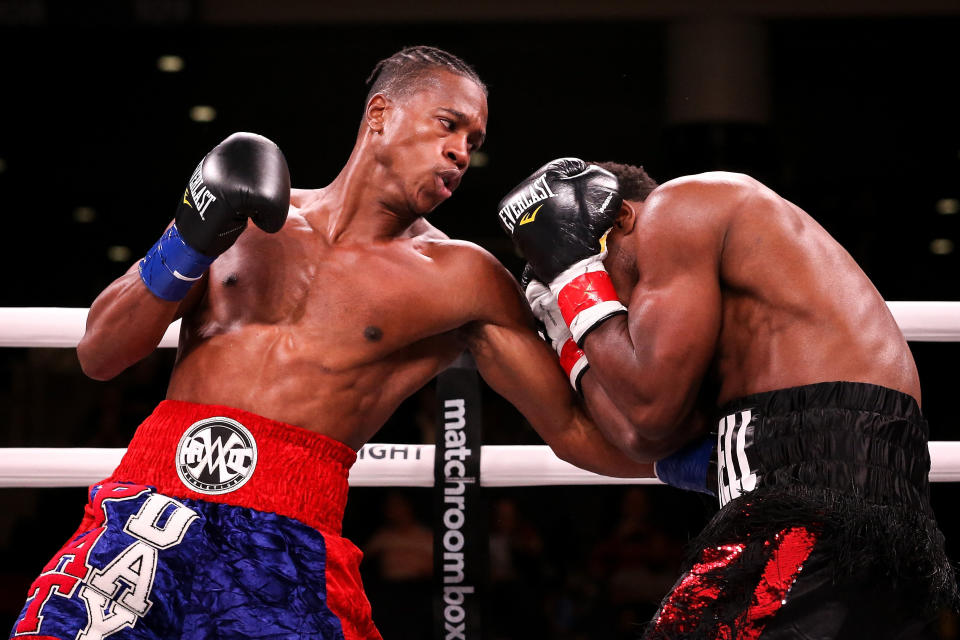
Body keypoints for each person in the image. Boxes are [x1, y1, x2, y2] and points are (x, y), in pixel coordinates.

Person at [9, 49, 655, 640]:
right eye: (448, 125)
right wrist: (191, 232)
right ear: (381, 114)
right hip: (145, 511)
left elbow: (576, 430)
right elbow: (100, 353)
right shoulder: (246, 219)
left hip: (286, 543)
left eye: (474, 140)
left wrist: (702, 459)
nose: (462, 151)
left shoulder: (461, 279)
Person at [497, 158, 957, 638]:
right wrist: (569, 336)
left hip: (809, 497)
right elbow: (639, 433)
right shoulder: (736, 327)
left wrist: (574, 279)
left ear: (621, 220)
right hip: (860, 501)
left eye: (601, 271)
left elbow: (650, 409)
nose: (613, 303)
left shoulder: (682, 204)